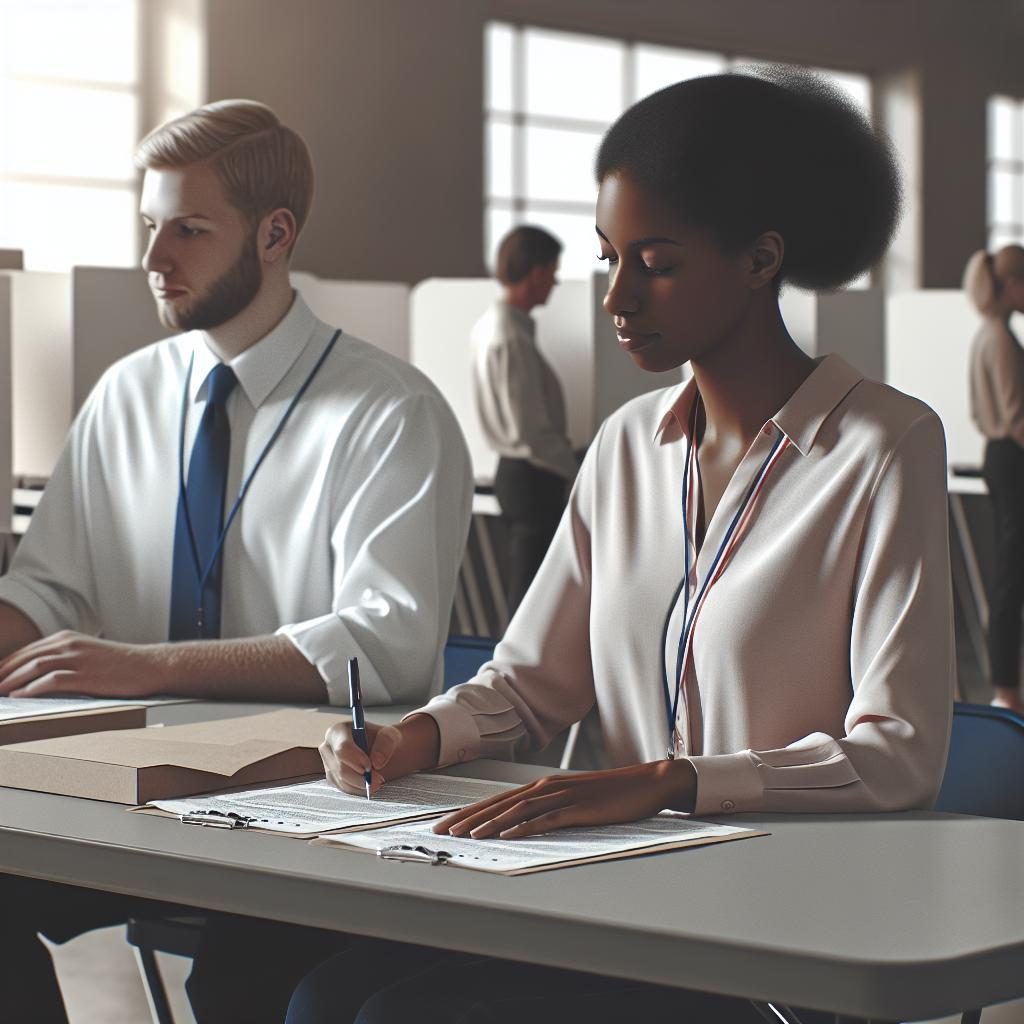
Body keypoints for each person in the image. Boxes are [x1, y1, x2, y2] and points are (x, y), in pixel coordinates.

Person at [297, 67, 954, 1024]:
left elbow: (897, 755)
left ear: (762, 258)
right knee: (323, 997)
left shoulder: (885, 445)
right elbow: (530, 686)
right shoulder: (624, 448)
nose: (617, 296)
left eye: (657, 261)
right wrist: (412, 738)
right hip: (622, 902)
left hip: (785, 926)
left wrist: (671, 782)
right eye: (609, 257)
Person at [0, 99, 472, 1024]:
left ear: (275, 234)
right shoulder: (125, 396)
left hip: (309, 805)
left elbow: (386, 651)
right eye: (150, 225)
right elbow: (46, 588)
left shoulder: (391, 413)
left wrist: (138, 666)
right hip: (127, 789)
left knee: (246, 985)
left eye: (188, 228)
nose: (153, 258)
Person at [472, 225, 579, 615]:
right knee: (530, 606)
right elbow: (530, 431)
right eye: (553, 269)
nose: (555, 280)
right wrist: (574, 469)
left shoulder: (496, 328)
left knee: (529, 599)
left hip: (520, 474)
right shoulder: (509, 336)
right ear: (535, 272)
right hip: (533, 478)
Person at [965, 245, 1024, 714]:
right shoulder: (1001, 338)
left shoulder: (987, 334)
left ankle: (1006, 686)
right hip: (1013, 457)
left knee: (1008, 571)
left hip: (999, 455)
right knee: (1009, 574)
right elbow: (1016, 416)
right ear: (1008, 286)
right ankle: (1007, 689)